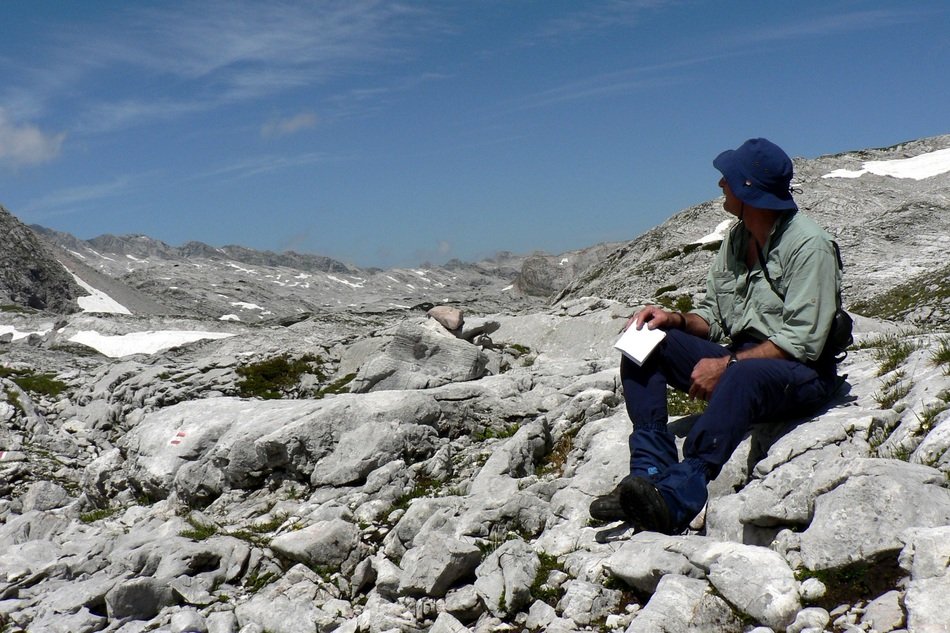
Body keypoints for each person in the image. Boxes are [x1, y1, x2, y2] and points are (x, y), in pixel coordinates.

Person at [590, 138, 843, 534]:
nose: (720, 185)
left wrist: (728, 366)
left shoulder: (810, 246)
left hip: (801, 373)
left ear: (748, 191)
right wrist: (672, 319)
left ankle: (677, 498)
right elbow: (715, 317)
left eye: (728, 179)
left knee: (741, 375)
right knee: (646, 340)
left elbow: (802, 342)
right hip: (745, 360)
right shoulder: (737, 239)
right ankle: (650, 471)